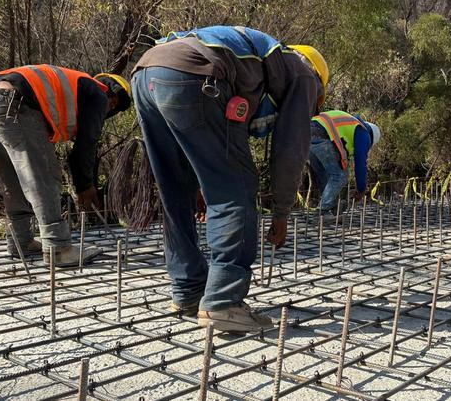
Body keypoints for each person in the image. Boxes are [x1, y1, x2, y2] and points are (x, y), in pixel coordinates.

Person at [130, 25, 327, 332]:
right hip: (195, 75)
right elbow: (290, 149)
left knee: (174, 189)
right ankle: (223, 300)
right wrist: (282, 212)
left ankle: (188, 289)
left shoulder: (261, 62)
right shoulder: (303, 74)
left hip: (145, 75)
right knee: (236, 186)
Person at [0, 66, 131, 267]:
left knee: (12, 176)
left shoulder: (74, 86)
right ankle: (58, 248)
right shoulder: (99, 95)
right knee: (44, 174)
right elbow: (85, 146)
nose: (110, 109)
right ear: (113, 100)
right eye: (114, 106)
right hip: (14, 103)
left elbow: (5, 94)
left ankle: (21, 241)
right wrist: (84, 185)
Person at [308, 110, 380, 222]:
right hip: (322, 134)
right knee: (340, 175)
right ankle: (322, 212)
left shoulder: (352, 124)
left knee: (326, 175)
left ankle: (331, 207)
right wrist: (361, 189)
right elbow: (360, 162)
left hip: (306, 132)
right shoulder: (363, 133)